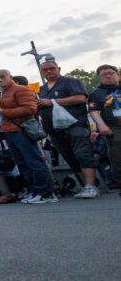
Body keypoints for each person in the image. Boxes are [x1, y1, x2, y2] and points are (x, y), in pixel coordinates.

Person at [35, 60, 97, 198]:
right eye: (45, 70)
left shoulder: (70, 82)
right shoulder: (41, 89)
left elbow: (81, 98)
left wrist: (52, 102)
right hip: (53, 128)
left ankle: (91, 186)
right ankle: (84, 185)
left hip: (75, 124)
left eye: (52, 68)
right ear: (41, 72)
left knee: (83, 153)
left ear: (59, 68)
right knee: (70, 157)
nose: (49, 71)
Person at [0, 69, 56, 204]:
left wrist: (3, 111)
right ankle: (35, 191)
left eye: (2, 77)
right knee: (23, 163)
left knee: (33, 161)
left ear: (10, 77)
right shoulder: (3, 93)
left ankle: (46, 193)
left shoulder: (20, 90)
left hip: (21, 129)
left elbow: (30, 109)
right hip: (10, 131)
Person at [88, 65, 121, 190]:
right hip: (113, 126)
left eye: (111, 73)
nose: (108, 76)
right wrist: (101, 125)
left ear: (117, 74)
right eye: (104, 75)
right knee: (117, 155)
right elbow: (93, 111)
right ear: (100, 78)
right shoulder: (96, 93)